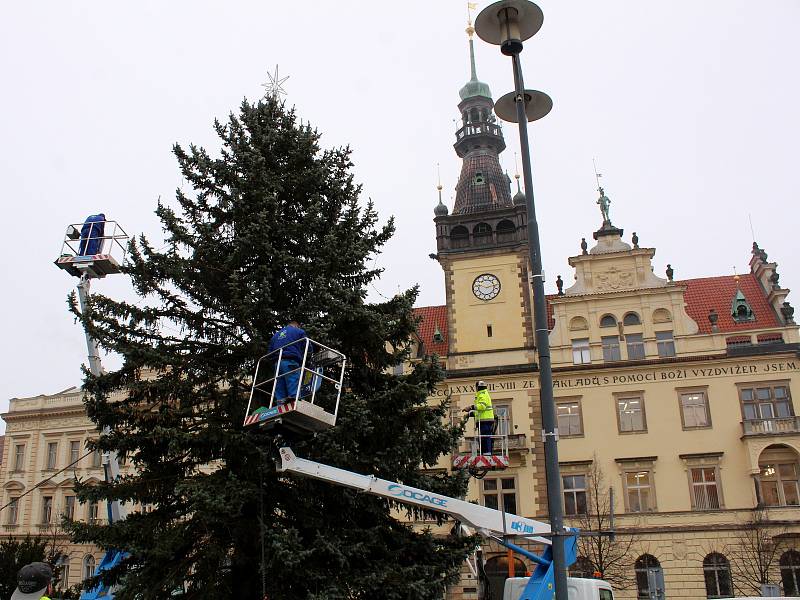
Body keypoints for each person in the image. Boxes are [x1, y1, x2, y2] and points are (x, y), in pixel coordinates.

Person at [267, 320, 310, 404]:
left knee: (279, 386)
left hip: (277, 364)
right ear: (297, 326)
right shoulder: (299, 332)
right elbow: (308, 347)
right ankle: (295, 401)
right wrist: (307, 358)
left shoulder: (275, 336)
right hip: (290, 361)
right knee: (293, 381)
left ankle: (280, 405)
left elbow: (269, 353)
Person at [464, 380, 495, 455]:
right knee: (483, 437)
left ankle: (487, 452)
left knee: (485, 437)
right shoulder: (482, 395)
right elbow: (479, 411)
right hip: (483, 420)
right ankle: (485, 452)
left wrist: (471, 407)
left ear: (478, 387)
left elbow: (482, 406)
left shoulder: (482, 395)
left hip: (485, 420)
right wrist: (470, 414)